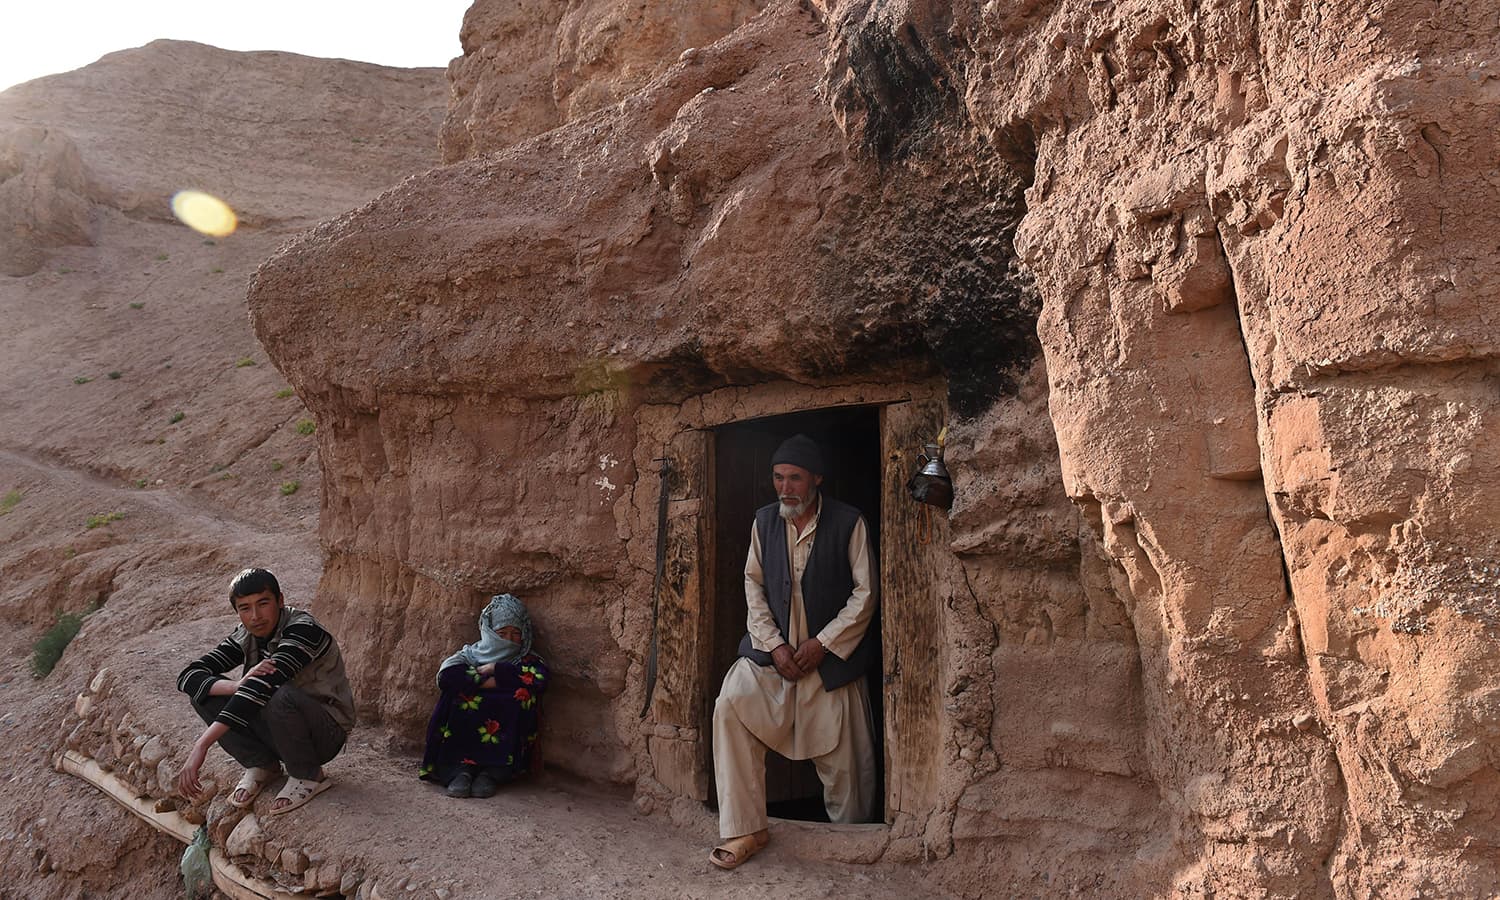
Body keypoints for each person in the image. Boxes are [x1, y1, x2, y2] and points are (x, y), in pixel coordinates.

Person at [709, 434, 879, 869]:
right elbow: (753, 586)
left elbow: (866, 594)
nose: (785, 488)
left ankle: (850, 845)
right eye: (778, 478)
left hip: (830, 658)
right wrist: (775, 644)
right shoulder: (764, 522)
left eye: (795, 478)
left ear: (816, 479)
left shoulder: (848, 522)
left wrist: (823, 643)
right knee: (731, 703)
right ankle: (745, 827)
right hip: (776, 657)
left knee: (846, 763)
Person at [175, 568, 355, 815]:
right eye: (245, 608)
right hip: (278, 728)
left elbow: (264, 685)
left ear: (280, 600)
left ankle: (308, 774)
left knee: (276, 694)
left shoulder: (304, 630)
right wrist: (235, 686)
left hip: (324, 733)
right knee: (206, 692)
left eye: (263, 603)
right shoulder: (246, 635)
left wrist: (202, 745)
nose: (255, 616)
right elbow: (189, 675)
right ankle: (262, 765)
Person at [419, 593, 548, 798]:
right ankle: (460, 770)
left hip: (504, 751)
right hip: (462, 741)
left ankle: (493, 773)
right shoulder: (470, 655)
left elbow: (539, 679)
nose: (509, 639)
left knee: (521, 695)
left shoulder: (527, 660)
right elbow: (447, 678)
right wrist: (492, 682)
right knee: (454, 696)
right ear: (489, 632)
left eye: (516, 633)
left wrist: (495, 669)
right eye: (502, 632)